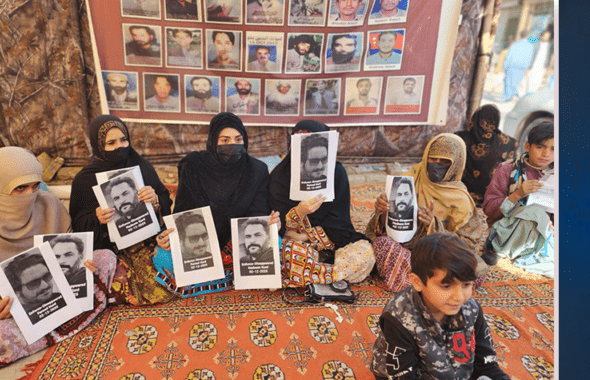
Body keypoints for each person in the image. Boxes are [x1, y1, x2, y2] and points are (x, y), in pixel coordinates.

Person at [369, 233, 552, 380]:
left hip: (456, 377)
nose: (459, 296)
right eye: (446, 286)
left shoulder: (471, 309)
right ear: (418, 282)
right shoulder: (398, 317)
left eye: (467, 285)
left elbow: (486, 366)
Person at [0, 146, 115, 365]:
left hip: (55, 288)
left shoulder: (48, 203)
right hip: (10, 302)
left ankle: (39, 335)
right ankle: (68, 322)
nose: (30, 195)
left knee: (105, 257)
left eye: (35, 186)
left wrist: (81, 264)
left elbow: (67, 244)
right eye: (20, 188)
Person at [154, 112, 279, 297]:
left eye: (238, 139)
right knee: (162, 258)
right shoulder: (193, 165)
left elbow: (257, 213)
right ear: (213, 141)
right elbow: (182, 212)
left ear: (245, 140)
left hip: (238, 242)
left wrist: (270, 223)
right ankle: (232, 275)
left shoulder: (256, 170)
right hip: (200, 243)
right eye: (225, 140)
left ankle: (223, 273)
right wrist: (168, 237)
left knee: (276, 243)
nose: (232, 145)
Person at [69, 115, 175, 306]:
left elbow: (165, 200)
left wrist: (156, 200)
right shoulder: (84, 180)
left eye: (124, 140)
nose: (120, 146)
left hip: (147, 241)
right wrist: (97, 218)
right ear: (99, 145)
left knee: (177, 261)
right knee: (109, 274)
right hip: (112, 249)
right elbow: (78, 225)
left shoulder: (140, 166)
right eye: (111, 143)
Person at [367, 134, 479, 292]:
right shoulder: (410, 178)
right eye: (433, 159)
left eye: (445, 161)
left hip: (437, 258)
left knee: (475, 267)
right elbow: (381, 231)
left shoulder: (460, 199)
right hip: (406, 251)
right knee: (382, 245)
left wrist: (433, 226)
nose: (437, 165)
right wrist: (382, 211)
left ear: (456, 164)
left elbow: (469, 245)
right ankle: (431, 286)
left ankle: (416, 282)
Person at [268, 120, 375, 286]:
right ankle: (329, 273)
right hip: (298, 247)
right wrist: (299, 212)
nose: (319, 166)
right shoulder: (279, 177)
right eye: (312, 161)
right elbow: (279, 228)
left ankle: (312, 273)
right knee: (285, 254)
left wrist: (306, 236)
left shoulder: (337, 173)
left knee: (365, 254)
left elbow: (340, 223)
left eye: (323, 160)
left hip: (331, 242)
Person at [481, 120, 554, 276]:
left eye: (553, 149)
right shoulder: (507, 170)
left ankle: (530, 251)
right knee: (535, 213)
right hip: (507, 232)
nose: (546, 154)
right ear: (527, 147)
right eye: (540, 147)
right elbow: (488, 208)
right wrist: (517, 195)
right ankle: (500, 250)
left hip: (542, 235)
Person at [455, 104, 517, 206]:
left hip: (460, 195)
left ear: (475, 118)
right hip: (489, 201)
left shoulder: (459, 137)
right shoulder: (509, 143)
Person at [501, 30, 537, 101]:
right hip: (522, 67)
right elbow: (530, 58)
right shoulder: (530, 46)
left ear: (520, 35)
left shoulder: (515, 44)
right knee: (516, 82)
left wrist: (504, 66)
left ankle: (506, 97)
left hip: (512, 65)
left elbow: (509, 56)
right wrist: (528, 67)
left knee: (508, 81)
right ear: (527, 36)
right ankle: (512, 95)